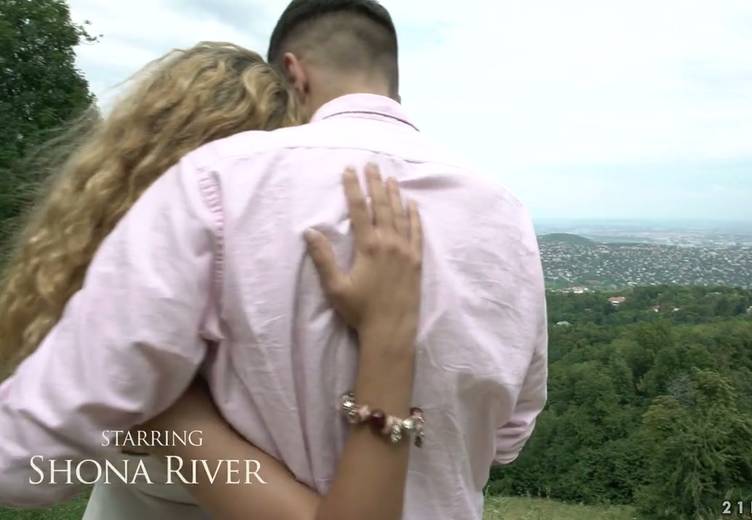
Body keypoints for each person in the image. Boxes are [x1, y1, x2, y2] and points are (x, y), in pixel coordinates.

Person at [0, 0, 548, 518]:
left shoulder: (210, 191)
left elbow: (25, 460)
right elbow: (506, 437)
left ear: (293, 73)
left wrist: (164, 425)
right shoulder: (505, 212)